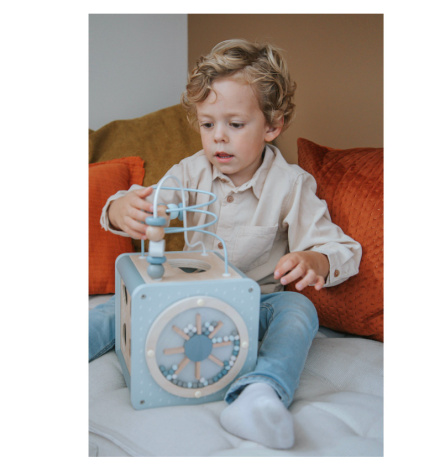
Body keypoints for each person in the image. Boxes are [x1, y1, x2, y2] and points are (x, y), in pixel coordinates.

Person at [90, 39, 362, 449]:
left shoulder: (291, 185)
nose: (218, 138)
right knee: (118, 306)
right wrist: (119, 208)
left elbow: (341, 248)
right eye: (207, 125)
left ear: (272, 126)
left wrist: (316, 260)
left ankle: (260, 393)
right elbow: (149, 200)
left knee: (298, 309)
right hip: (187, 292)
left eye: (235, 125)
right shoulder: (190, 172)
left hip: (257, 302)